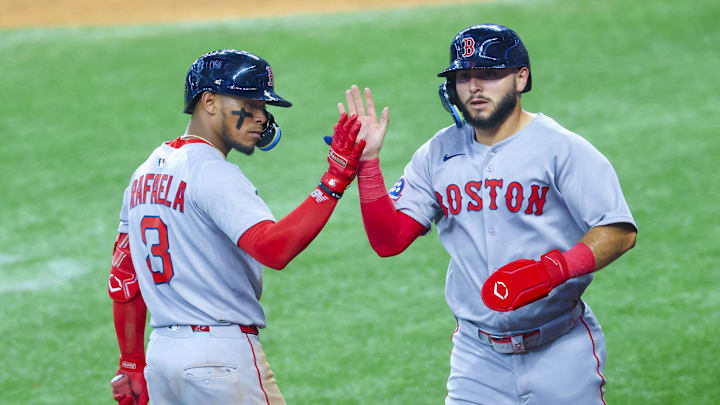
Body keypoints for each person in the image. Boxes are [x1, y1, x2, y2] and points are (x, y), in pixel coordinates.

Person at [341, 24, 637, 404]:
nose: (474, 87)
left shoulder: (560, 148)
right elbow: (389, 241)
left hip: (560, 349)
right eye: (463, 76)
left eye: (489, 74)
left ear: (520, 78)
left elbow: (619, 231)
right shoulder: (437, 153)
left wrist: (554, 270)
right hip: (477, 358)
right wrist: (368, 164)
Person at [107, 49, 365, 405]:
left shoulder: (143, 174)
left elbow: (124, 279)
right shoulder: (212, 171)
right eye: (249, 103)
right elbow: (274, 249)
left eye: (264, 107)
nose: (261, 117)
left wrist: (131, 362)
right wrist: (334, 180)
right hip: (220, 361)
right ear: (209, 101)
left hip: (161, 359)